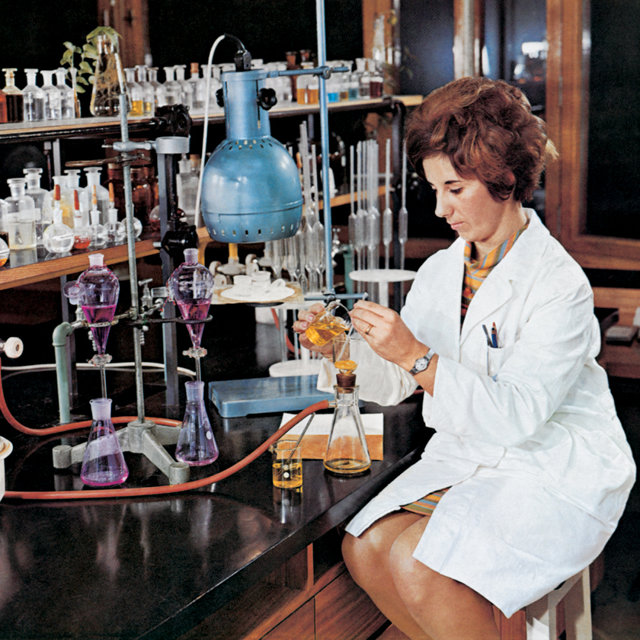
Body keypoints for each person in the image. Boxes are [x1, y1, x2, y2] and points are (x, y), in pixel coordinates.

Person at [293, 77, 636, 640]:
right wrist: (337, 348)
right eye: (434, 190)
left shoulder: (558, 283)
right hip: (469, 455)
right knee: (365, 547)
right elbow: (398, 380)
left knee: (420, 566)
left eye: (454, 189)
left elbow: (517, 416)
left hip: (550, 464)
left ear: (504, 178)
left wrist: (416, 354)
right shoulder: (441, 271)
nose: (440, 209)